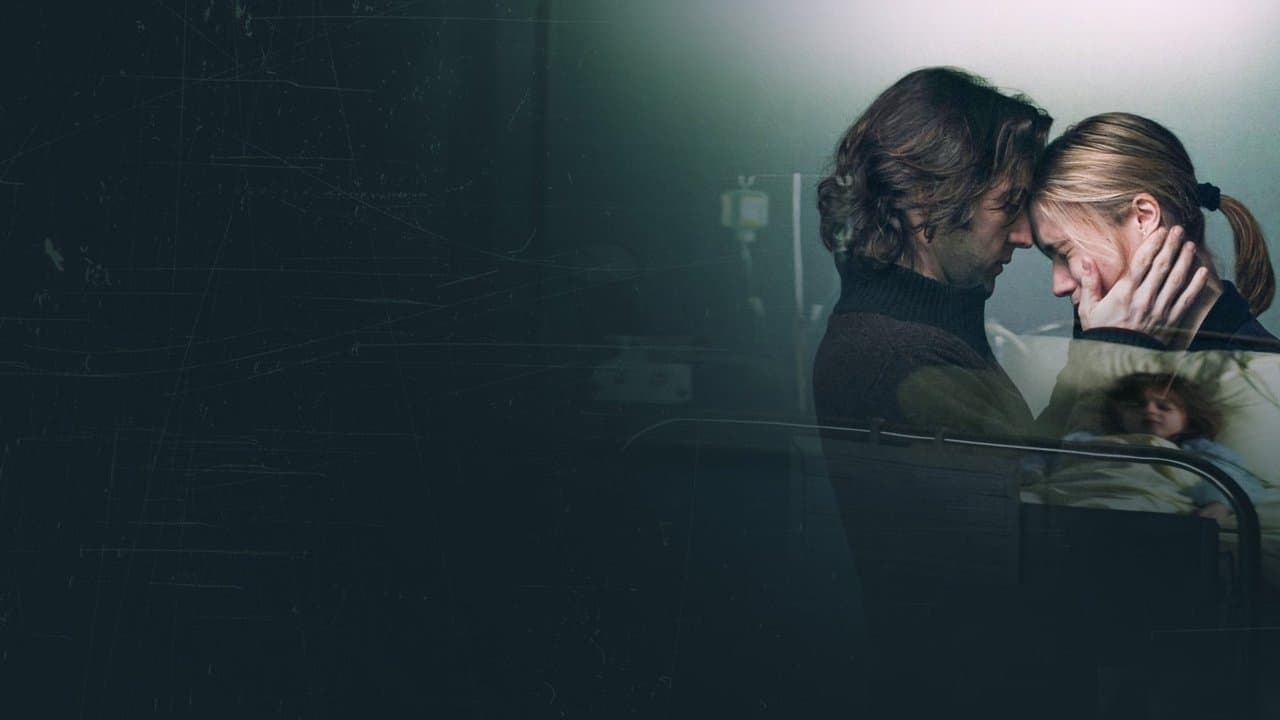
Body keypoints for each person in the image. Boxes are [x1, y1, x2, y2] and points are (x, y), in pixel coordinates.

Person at [812, 72, 1202, 437]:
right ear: (929, 199)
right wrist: (1113, 356)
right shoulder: (896, 358)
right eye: (1009, 204)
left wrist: (1098, 347)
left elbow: (1032, 459)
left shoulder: (931, 328)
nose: (1024, 236)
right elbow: (1048, 487)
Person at [1030, 112, 1279, 353]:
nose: (1059, 286)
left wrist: (1110, 353)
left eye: (1065, 252)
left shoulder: (1262, 372)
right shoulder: (1095, 332)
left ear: (1144, 218)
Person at [1063, 372, 1265, 520]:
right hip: (1077, 500)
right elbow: (1050, 462)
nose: (1150, 411)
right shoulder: (1086, 441)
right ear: (1118, 415)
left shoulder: (1200, 450)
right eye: (1137, 406)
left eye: (1164, 407)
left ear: (1188, 418)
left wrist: (1219, 504)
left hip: (1149, 505)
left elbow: (1234, 479)